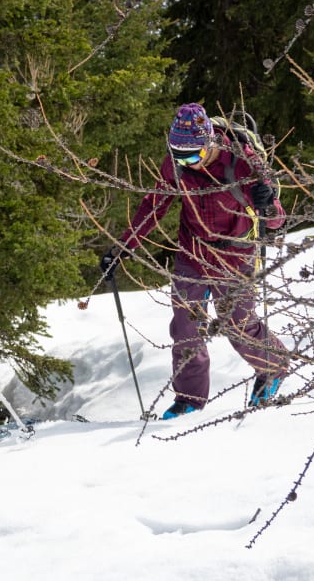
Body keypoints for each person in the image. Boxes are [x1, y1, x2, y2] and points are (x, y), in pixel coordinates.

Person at [101, 103, 289, 419]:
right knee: (186, 325)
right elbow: (154, 205)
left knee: (237, 324)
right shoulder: (177, 164)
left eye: (192, 156)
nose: (186, 163)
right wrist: (123, 247)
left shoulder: (243, 162)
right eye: (177, 153)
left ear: (211, 143)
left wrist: (268, 203)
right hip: (193, 250)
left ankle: (274, 368)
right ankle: (189, 399)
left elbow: (276, 221)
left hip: (235, 253)